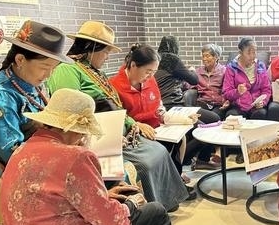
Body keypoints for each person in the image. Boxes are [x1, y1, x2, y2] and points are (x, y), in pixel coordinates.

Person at [0, 88, 191, 225]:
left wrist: (104, 197)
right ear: (73, 128)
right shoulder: (75, 156)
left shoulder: (21, 151)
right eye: (83, 131)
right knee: (155, 214)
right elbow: (109, 219)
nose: (83, 137)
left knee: (132, 209)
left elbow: (52, 201)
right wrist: (131, 204)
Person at [46, 21, 195, 211]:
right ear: (92, 48)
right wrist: (111, 135)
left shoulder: (94, 72)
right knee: (146, 163)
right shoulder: (67, 69)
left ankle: (167, 201)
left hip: (120, 132)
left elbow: (115, 107)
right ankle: (150, 208)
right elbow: (71, 111)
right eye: (106, 52)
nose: (108, 57)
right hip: (99, 138)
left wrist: (132, 123)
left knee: (159, 151)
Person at [0, 20, 73, 223]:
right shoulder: (0, 97)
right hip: (11, 164)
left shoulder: (31, 83)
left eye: (53, 68)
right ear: (20, 59)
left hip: (39, 153)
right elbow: (12, 152)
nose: (49, 75)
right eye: (45, 67)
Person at [109, 44, 218, 174]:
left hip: (158, 128)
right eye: (148, 71)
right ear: (133, 65)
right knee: (165, 148)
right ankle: (173, 176)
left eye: (154, 72)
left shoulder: (150, 80)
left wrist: (183, 118)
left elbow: (159, 110)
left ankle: (176, 175)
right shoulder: (114, 86)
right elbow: (118, 119)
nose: (150, 76)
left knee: (193, 130)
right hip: (136, 133)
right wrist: (136, 124)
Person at [222, 37, 272, 119]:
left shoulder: (260, 66)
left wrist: (263, 101)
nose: (252, 56)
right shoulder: (231, 68)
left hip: (256, 106)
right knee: (232, 116)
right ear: (240, 53)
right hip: (238, 107)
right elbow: (226, 92)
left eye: (254, 52)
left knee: (261, 114)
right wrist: (237, 92)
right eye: (248, 53)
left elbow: (266, 89)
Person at [191, 43, 230, 120]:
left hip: (218, 105)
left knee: (214, 118)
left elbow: (228, 89)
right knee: (195, 116)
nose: (204, 59)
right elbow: (188, 85)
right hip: (202, 103)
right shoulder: (198, 72)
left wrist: (228, 101)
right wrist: (189, 75)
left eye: (207, 56)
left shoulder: (224, 71)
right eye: (203, 56)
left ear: (216, 57)